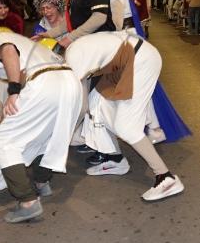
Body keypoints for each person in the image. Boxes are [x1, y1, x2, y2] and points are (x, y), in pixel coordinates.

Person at [64, 32, 185, 202]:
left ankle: (165, 178)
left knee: (126, 127)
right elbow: (85, 103)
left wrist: (64, 137)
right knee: (97, 105)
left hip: (139, 60)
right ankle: (116, 159)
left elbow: (79, 107)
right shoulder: (73, 54)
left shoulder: (73, 61)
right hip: (123, 61)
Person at [0, 28, 82, 223]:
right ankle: (41, 181)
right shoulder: (30, 46)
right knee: (47, 135)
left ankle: (28, 202)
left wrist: (13, 91)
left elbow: (9, 51)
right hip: (71, 83)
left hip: (45, 83)